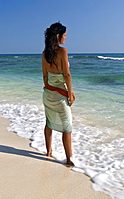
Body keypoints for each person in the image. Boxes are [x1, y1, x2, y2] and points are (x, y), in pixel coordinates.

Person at [42, 22, 75, 166]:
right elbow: (67, 75)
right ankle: (69, 160)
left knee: (49, 123)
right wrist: (69, 93)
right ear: (58, 36)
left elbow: (45, 79)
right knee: (67, 128)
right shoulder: (63, 52)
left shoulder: (45, 54)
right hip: (60, 97)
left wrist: (60, 90)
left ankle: (49, 151)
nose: (66, 38)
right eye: (65, 35)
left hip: (48, 95)